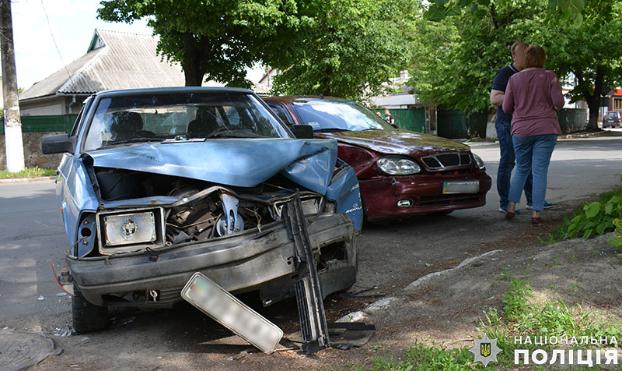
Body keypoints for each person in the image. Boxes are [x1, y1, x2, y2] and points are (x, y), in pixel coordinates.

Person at [502, 45, 564, 224]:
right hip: (546, 129)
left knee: (521, 168)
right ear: (543, 59)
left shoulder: (514, 79)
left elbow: (506, 107)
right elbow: (559, 102)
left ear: (527, 59)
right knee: (539, 171)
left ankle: (511, 206)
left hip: (521, 130)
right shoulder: (550, 76)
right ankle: (536, 213)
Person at [490, 42, 547, 213]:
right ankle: (505, 203)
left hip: (526, 125)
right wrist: (516, 96)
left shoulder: (535, 74)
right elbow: (495, 98)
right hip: (507, 123)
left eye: (528, 53)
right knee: (508, 161)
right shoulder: (506, 74)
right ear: (514, 56)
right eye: (523, 53)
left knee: (527, 163)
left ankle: (532, 200)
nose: (526, 56)